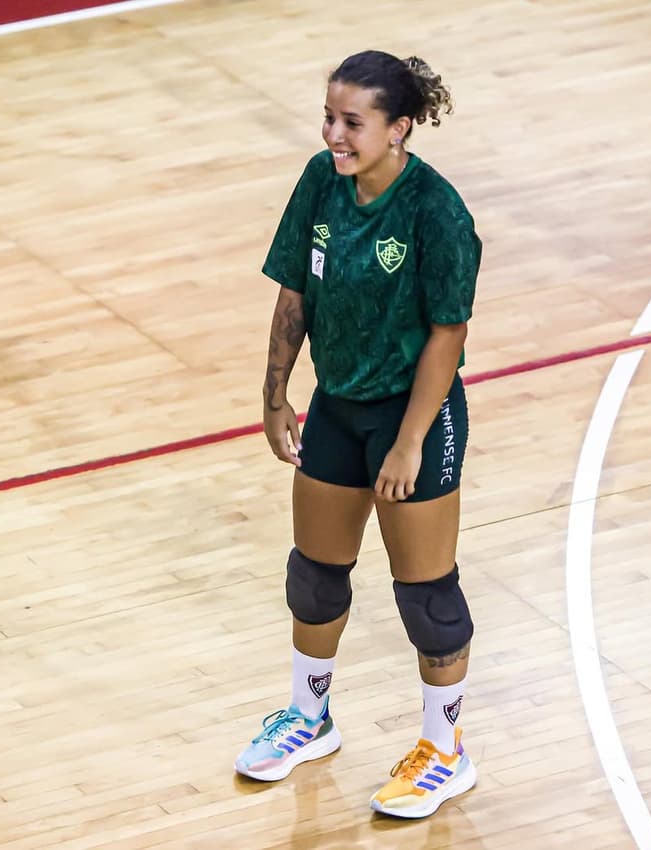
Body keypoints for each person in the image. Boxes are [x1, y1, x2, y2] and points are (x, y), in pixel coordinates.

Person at [234, 49, 482, 820]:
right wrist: (276, 393)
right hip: (337, 404)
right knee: (314, 574)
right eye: (330, 118)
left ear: (400, 128)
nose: (334, 135)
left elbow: (448, 334)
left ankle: (445, 749)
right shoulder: (322, 180)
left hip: (414, 413)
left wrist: (410, 442)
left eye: (353, 122)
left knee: (427, 596)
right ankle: (310, 719)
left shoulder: (436, 213)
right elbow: (294, 293)